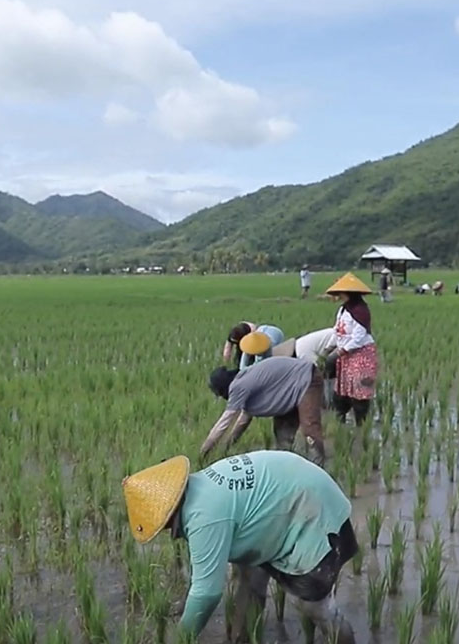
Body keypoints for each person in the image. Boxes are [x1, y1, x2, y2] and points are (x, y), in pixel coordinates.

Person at [121, 450, 358, 641]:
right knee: (249, 575)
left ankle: (347, 640)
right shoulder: (197, 489)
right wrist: (186, 601)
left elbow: (207, 593)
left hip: (313, 510)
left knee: (313, 606)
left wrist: (183, 638)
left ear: (170, 513)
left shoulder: (205, 517)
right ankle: (242, 637)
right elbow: (204, 562)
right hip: (286, 498)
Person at [204, 357, 327, 466]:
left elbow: (224, 422)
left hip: (307, 378)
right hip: (288, 388)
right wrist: (227, 446)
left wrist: (205, 450)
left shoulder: (238, 386)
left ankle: (318, 467)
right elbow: (243, 421)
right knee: (282, 434)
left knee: (309, 426)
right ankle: (287, 467)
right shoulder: (245, 384)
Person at [323, 273, 378, 426]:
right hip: (345, 355)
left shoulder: (360, 310)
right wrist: (332, 346)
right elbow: (337, 330)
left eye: (341, 293)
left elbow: (359, 337)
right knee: (343, 390)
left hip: (360, 354)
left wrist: (343, 350)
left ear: (349, 293)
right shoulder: (343, 310)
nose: (339, 296)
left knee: (359, 390)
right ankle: (340, 423)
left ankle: (362, 424)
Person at [222, 322, 286, 372]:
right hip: (261, 331)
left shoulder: (269, 346)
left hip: (276, 334)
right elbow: (242, 367)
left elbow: (262, 365)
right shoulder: (249, 342)